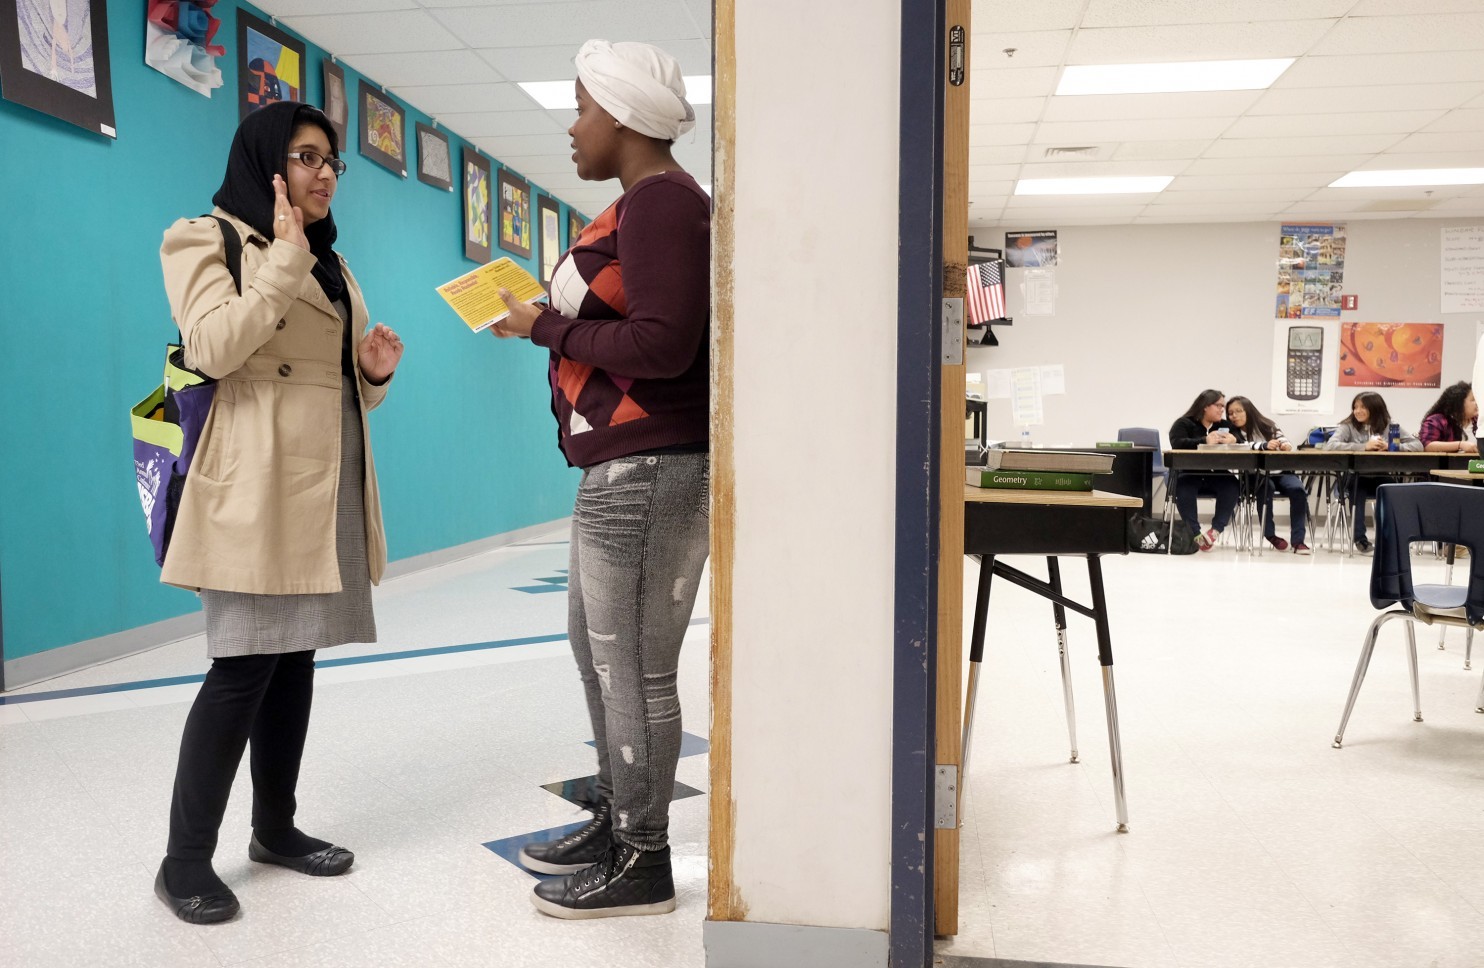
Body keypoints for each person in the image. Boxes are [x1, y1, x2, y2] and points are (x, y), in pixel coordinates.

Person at [154, 102, 404, 924]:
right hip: (254, 486)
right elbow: (213, 346)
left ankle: (276, 829)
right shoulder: (204, 237)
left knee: (295, 659)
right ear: (266, 164)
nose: (325, 172)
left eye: (333, 160)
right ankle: (183, 861)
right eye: (306, 157)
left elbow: (321, 378)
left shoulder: (331, 263)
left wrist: (369, 374)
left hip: (321, 480)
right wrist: (281, 266)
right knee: (241, 669)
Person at [489, 39, 709, 919]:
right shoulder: (642, 204)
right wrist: (541, 326)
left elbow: (664, 346)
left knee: (637, 670)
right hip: (622, 465)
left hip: (652, 466)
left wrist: (547, 327)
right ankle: (620, 816)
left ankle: (644, 860)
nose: (573, 128)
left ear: (620, 118)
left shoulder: (660, 203)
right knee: (600, 654)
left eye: (581, 109)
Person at [1320, 392, 1420, 553]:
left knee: (1394, 494)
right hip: (1355, 475)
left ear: (1375, 408)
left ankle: (1388, 539)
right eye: (1355, 407)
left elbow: (1417, 445)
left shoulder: (1389, 425)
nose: (1357, 411)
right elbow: (1331, 446)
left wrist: (1391, 447)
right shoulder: (1348, 426)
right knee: (1357, 495)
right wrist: (1363, 447)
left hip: (1380, 474)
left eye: (1362, 407)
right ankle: (1360, 540)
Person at [1226, 396, 1311, 555]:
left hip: (1280, 471)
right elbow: (1240, 447)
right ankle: (1270, 535)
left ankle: (1298, 541)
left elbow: (1284, 440)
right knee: (1266, 489)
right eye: (1230, 413)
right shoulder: (1231, 431)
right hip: (1255, 475)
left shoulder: (1268, 425)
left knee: (1298, 490)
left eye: (1238, 411)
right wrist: (1264, 446)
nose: (1234, 416)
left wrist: (1285, 445)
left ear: (1248, 411)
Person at [1169, 389, 1240, 551]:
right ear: (1205, 406)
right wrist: (1203, 440)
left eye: (1223, 406)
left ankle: (1216, 530)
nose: (1222, 410)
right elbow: (1177, 443)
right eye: (1218, 405)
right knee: (1183, 487)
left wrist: (1234, 439)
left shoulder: (1224, 425)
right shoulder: (1183, 423)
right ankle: (1195, 533)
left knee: (1232, 484)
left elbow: (1241, 439)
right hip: (1189, 472)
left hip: (1216, 473)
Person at [1418, 381, 1479, 455]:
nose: (1477, 403)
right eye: (1473, 400)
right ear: (1459, 403)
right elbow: (1427, 445)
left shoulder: (1478, 420)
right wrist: (1460, 445)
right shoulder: (1437, 420)